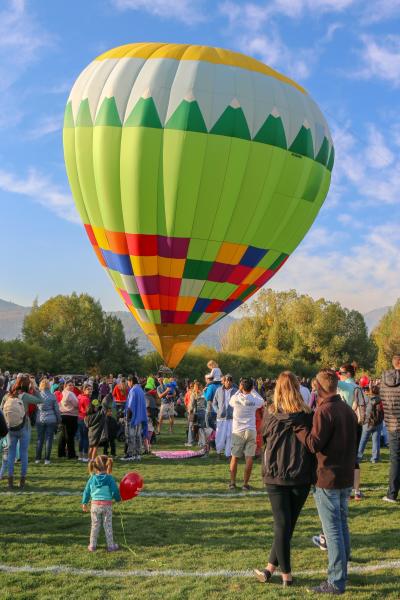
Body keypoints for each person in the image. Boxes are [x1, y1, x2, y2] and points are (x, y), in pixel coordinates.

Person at [294, 369, 358, 595]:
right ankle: (343, 573)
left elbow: (313, 444)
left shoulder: (325, 410)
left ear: (319, 388)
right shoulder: (347, 410)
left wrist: (300, 429)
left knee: (332, 531)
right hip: (344, 475)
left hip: (328, 477)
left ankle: (336, 580)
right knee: (341, 525)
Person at [254, 371, 314, 587]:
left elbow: (265, 436)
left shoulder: (271, 414)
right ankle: (272, 568)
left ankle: (284, 574)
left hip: (275, 473)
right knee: (286, 525)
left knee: (283, 525)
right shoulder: (307, 415)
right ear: (298, 388)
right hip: (300, 473)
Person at [1, 374, 43, 489]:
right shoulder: (24, 396)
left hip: (10, 427)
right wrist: (34, 387)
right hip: (24, 426)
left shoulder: (7, 396)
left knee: (11, 454)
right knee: (24, 454)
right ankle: (22, 481)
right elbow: (40, 400)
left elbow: (1, 410)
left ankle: (10, 481)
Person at [229, 378, 264, 490]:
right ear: (252, 387)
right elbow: (261, 401)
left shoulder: (236, 398)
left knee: (234, 457)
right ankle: (245, 484)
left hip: (238, 431)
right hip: (251, 430)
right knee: (249, 458)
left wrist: (239, 390)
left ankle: (232, 483)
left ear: (241, 387)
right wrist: (253, 390)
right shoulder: (254, 400)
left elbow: (230, 401)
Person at [338, 364, 366, 500]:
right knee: (354, 457)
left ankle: (346, 489)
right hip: (357, 424)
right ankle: (356, 491)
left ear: (348, 374)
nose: (339, 375)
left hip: (344, 423)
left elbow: (325, 380)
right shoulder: (358, 387)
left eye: (341, 373)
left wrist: (331, 370)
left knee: (343, 456)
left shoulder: (344, 385)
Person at [82, 454, 121, 552]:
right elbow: (115, 491)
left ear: (95, 466)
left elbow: (86, 491)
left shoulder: (92, 478)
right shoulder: (109, 478)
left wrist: (84, 503)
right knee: (107, 525)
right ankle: (111, 546)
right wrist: (118, 499)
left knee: (95, 525)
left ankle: (92, 545)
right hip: (107, 506)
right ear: (107, 465)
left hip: (94, 506)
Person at [380, 353, 400, 503]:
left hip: (392, 423)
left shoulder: (384, 380)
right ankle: (392, 493)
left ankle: (392, 493)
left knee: (395, 459)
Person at [35, 378, 61, 465]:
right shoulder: (52, 396)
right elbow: (57, 410)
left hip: (40, 419)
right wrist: (59, 419)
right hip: (51, 419)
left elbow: (36, 408)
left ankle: (38, 458)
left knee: (39, 439)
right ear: (49, 386)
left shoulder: (38, 395)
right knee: (49, 440)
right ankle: (47, 459)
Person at [357, 385, 384, 464]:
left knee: (363, 440)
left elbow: (362, 408)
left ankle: (358, 457)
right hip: (378, 422)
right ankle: (375, 458)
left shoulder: (367, 398)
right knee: (376, 441)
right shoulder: (381, 400)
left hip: (368, 422)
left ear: (370, 391)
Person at [123, 376, 147, 461]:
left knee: (130, 436)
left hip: (132, 418)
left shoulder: (133, 390)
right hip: (139, 417)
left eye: (128, 382)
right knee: (137, 436)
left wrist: (127, 418)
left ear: (131, 381)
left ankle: (130, 454)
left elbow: (130, 406)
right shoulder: (140, 390)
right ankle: (137, 454)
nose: (127, 384)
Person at [212, 375, 237, 457]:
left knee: (230, 436)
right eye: (227, 380)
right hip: (221, 418)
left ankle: (228, 454)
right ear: (224, 381)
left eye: (230, 381)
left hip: (231, 418)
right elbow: (214, 403)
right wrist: (218, 411)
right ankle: (218, 452)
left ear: (232, 382)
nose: (228, 382)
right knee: (220, 436)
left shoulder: (236, 391)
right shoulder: (219, 390)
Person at [58, 379, 79, 460]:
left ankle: (61, 453)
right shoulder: (70, 394)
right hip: (71, 416)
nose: (71, 386)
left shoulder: (62, 393)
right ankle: (71, 454)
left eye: (72, 385)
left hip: (63, 415)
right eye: (69, 385)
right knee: (70, 436)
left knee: (63, 435)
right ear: (65, 386)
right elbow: (77, 404)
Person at [187, 381, 208, 448]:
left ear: (195, 387)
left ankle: (190, 442)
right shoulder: (204, 393)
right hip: (203, 412)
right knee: (201, 428)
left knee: (191, 427)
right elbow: (206, 403)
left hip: (195, 413)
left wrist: (189, 412)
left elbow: (191, 405)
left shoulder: (194, 394)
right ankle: (201, 442)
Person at [77, 384, 92, 462]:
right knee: (85, 438)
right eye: (88, 389)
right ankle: (85, 456)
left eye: (91, 389)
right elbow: (87, 411)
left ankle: (80, 455)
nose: (90, 391)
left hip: (79, 418)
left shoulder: (79, 396)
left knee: (81, 437)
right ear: (84, 389)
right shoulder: (86, 399)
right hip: (84, 418)